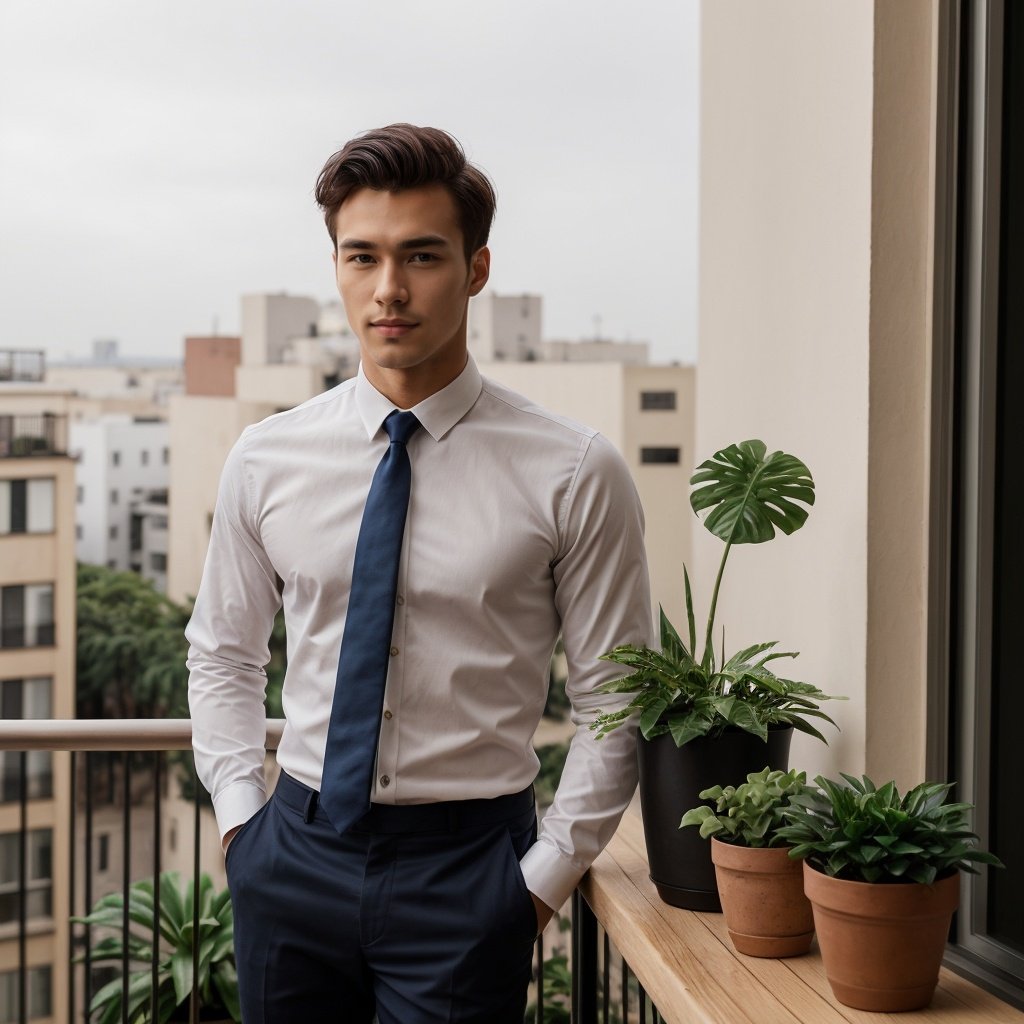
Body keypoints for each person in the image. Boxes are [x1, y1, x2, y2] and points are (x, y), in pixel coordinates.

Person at [186, 123, 653, 1024]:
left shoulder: (572, 469)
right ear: (337, 268)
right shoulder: (265, 457)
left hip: (470, 870)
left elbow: (616, 698)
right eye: (361, 256)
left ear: (477, 269)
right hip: (293, 853)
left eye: (422, 256)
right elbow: (224, 655)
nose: (388, 289)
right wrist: (244, 823)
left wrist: (539, 882)